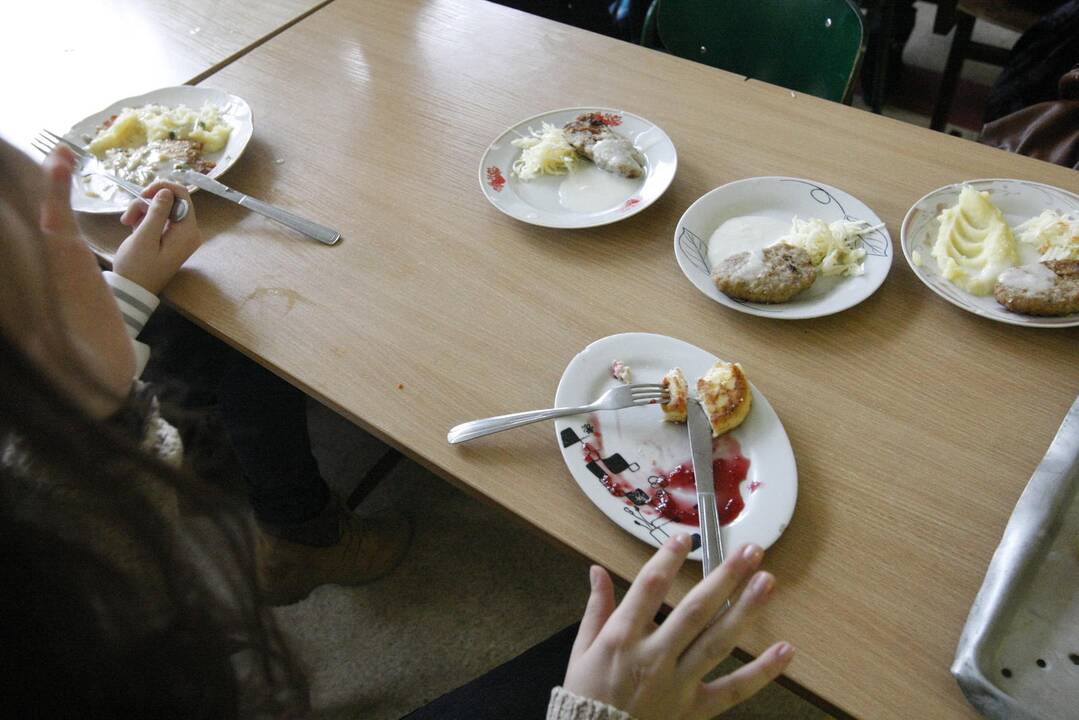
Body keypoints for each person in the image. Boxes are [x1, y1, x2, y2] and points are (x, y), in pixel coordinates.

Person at [0, 139, 793, 718]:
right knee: (644, 642)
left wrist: (127, 295)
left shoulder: (40, 480)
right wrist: (594, 716)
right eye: (62, 240)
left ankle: (301, 537)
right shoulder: (71, 634)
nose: (93, 255)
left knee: (220, 339)